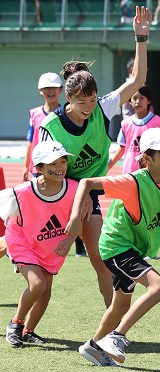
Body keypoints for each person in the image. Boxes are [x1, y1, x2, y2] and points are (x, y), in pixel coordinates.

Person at [66, 128, 160, 366]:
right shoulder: (132, 181)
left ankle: (93, 346)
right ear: (147, 157)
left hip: (132, 249)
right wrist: (75, 217)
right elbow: (86, 182)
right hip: (116, 247)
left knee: (120, 304)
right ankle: (116, 336)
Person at [39, 6, 151, 307]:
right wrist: (79, 192)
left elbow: (137, 78)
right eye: (80, 102)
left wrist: (141, 37)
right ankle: (20, 323)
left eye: (91, 100)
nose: (88, 107)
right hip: (55, 193)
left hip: (88, 193)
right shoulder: (50, 126)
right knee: (38, 265)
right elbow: (45, 172)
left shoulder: (104, 107)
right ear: (68, 98)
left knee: (102, 261)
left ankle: (112, 326)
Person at [0, 142, 78, 347]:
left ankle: (28, 331)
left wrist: (70, 239)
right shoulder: (22, 192)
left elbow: (78, 221)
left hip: (51, 246)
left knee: (46, 292)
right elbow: (8, 216)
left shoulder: (75, 189)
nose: (60, 166)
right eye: (52, 162)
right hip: (23, 242)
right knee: (38, 285)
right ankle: (15, 324)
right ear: (39, 168)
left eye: (63, 160)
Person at [24, 72, 87, 258]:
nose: (50, 91)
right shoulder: (34, 114)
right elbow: (30, 140)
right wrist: (25, 167)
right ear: (40, 91)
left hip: (62, 169)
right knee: (39, 210)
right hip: (40, 169)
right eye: (46, 88)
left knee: (69, 208)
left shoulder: (67, 113)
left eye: (53, 88)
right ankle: (36, 244)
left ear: (61, 90)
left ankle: (79, 246)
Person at [109, 85, 160, 175]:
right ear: (130, 102)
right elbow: (122, 148)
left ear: (149, 100)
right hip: (130, 172)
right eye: (134, 98)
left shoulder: (158, 123)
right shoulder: (125, 124)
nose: (137, 102)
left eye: (141, 98)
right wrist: (108, 166)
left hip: (152, 172)